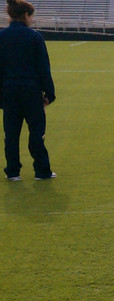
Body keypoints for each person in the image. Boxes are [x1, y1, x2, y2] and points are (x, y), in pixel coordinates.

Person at [0, 0, 55, 181]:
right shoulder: (34, 37)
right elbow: (43, 67)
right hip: (31, 92)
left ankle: (13, 171)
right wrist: (49, 93)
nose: (32, 19)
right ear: (25, 15)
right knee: (37, 131)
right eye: (31, 16)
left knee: (11, 133)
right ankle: (41, 170)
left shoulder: (2, 36)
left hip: (9, 92)